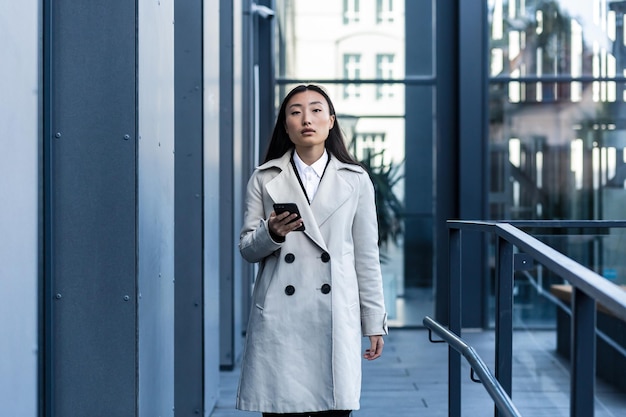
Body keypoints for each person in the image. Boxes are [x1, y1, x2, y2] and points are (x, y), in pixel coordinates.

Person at [236, 84, 388, 417]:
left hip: (333, 315)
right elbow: (247, 249)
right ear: (286, 125)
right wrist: (270, 233)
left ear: (331, 121)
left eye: (317, 110)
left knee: (333, 410)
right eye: (295, 112)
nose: (307, 118)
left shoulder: (356, 179)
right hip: (280, 317)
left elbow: (366, 257)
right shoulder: (264, 178)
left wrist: (373, 321)